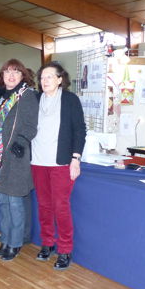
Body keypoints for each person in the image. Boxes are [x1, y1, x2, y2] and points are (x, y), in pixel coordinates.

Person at [31, 63, 86, 270]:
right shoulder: (36, 99)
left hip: (61, 162)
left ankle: (65, 249)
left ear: (60, 79)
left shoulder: (70, 100)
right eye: (42, 77)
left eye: (49, 77)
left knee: (60, 206)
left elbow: (80, 130)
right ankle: (47, 243)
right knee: (43, 205)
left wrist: (76, 158)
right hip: (37, 161)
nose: (44, 81)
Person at [0, 59, 39, 261]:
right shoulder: (0, 97)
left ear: (22, 75)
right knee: (2, 203)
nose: (11, 75)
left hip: (15, 158)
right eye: (7, 71)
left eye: (16, 72)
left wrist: (21, 141)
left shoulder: (26, 96)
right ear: (2, 75)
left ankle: (15, 243)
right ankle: (6, 239)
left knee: (14, 202)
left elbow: (31, 124)